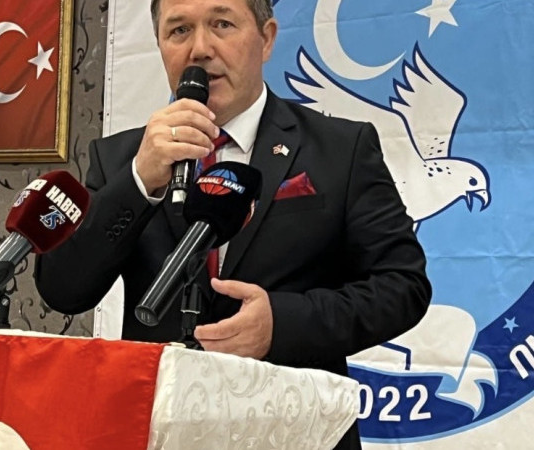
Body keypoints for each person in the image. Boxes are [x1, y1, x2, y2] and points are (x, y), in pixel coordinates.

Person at [35, 0, 431, 447]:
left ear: (267, 39)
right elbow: (64, 290)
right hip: (158, 430)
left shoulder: (341, 148)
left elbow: (402, 286)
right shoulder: (121, 159)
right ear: (160, 45)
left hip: (292, 432)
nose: (200, 48)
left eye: (222, 24)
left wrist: (281, 324)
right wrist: (138, 182)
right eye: (179, 31)